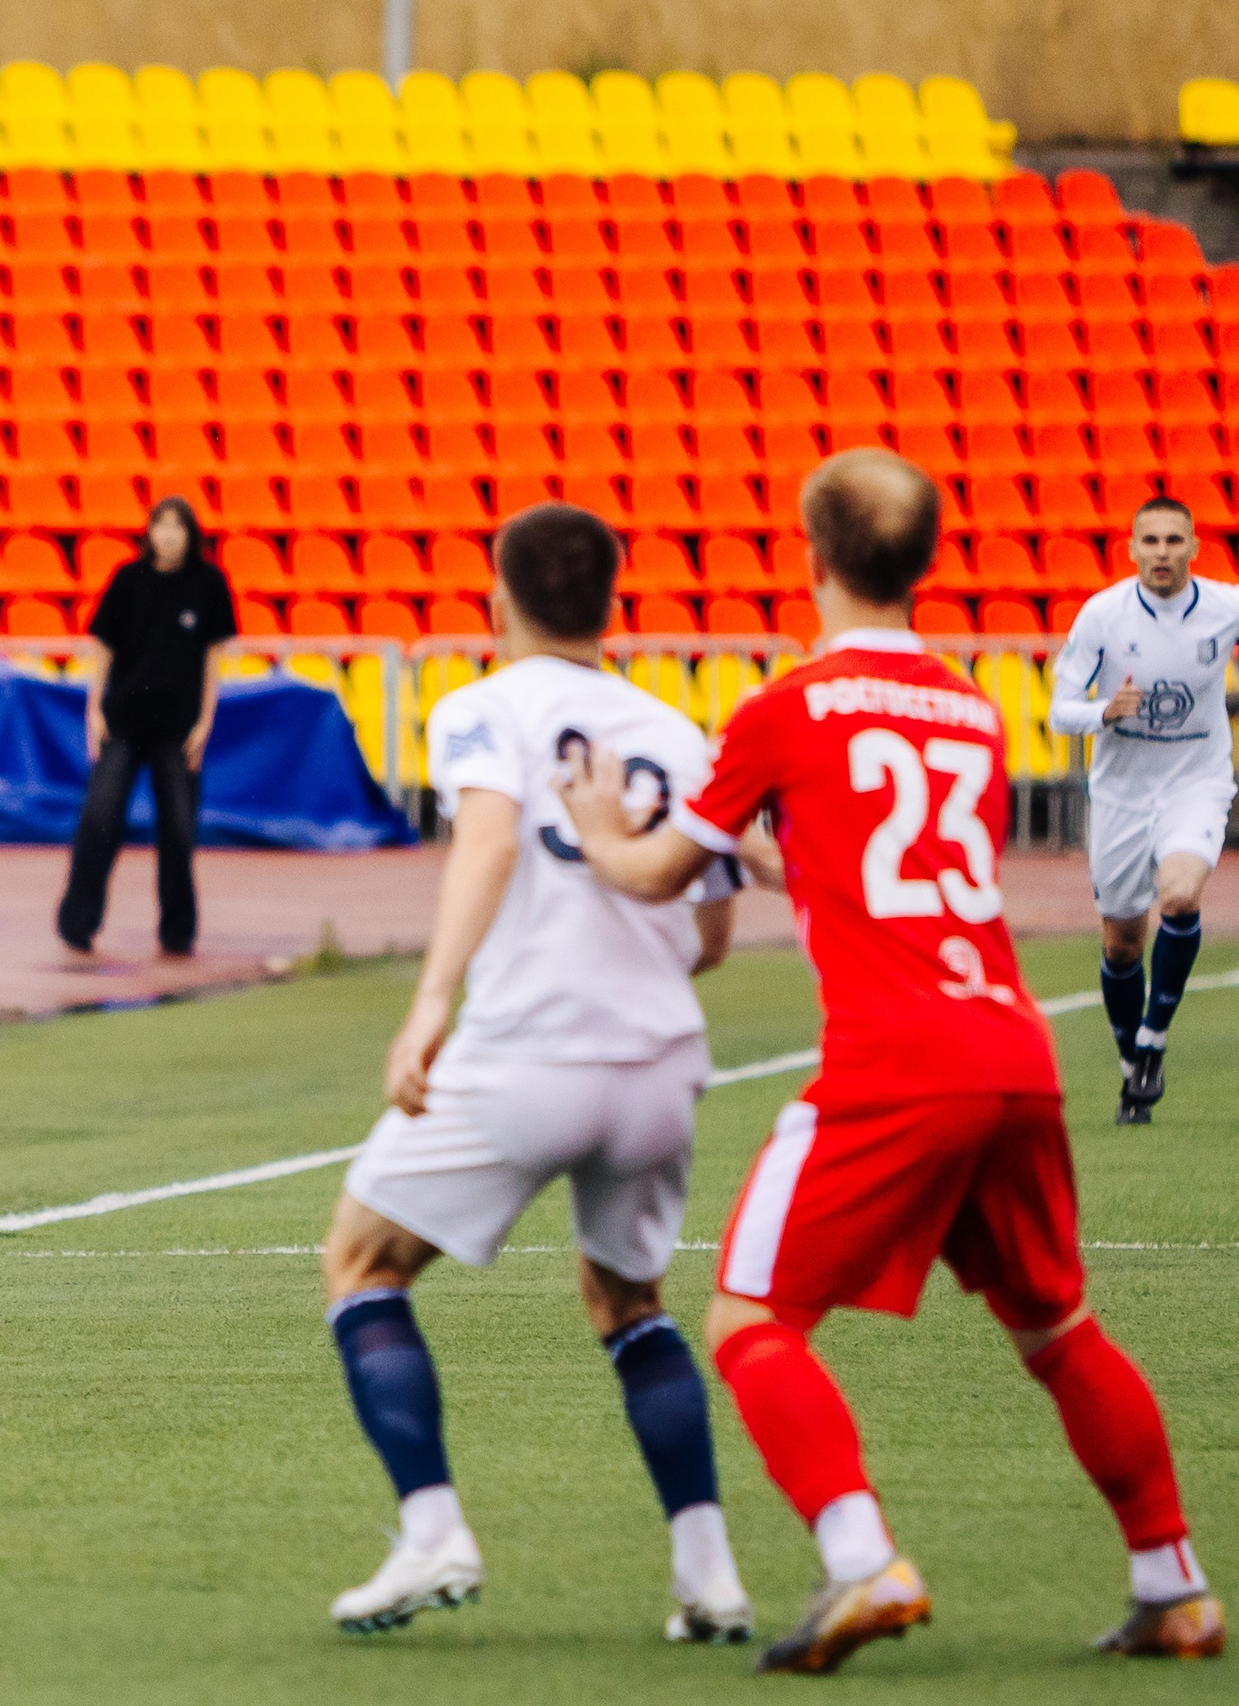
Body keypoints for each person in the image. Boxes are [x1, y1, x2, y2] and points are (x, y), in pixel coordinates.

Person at [560, 450, 1222, 1672]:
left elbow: (662, 873)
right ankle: (1171, 1580)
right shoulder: (969, 707)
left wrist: (601, 827)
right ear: (923, 567)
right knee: (1058, 1324)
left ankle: (863, 1559)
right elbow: (873, 855)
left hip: (897, 1054)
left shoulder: (784, 707)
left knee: (751, 1317)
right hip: (1012, 1045)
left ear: (808, 560)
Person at [322, 504, 753, 1643]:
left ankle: (431, 1530)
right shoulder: (677, 728)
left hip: (526, 1049)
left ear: (497, 599)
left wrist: (428, 1003)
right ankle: (708, 1576)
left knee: (362, 1261)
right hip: (659, 1060)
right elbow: (710, 932)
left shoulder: (479, 705)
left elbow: (490, 838)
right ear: (613, 600)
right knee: (629, 1303)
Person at [1046, 496, 1239, 1123]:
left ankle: (1154, 1038)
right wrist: (1102, 712)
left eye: (1173, 541)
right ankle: (1133, 1064)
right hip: (1123, 794)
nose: (1162, 553)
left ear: (1193, 549)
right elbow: (1059, 708)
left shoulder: (1224, 607)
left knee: (1180, 896)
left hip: (1197, 782)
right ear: (1131, 549)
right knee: (1123, 943)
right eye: (1150, 542)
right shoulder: (1103, 615)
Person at [56, 496, 238, 955]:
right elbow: (104, 649)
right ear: (150, 532)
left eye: (178, 526)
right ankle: (77, 923)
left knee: (178, 829)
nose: (169, 535)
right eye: (162, 525)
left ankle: (177, 933)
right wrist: (93, 708)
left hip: (178, 727)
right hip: (123, 721)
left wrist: (205, 724)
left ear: (191, 533)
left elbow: (213, 662)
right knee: (100, 817)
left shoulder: (209, 584)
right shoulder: (127, 580)